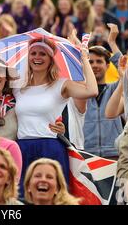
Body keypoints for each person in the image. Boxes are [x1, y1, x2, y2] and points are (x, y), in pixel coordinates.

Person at [13, 36, 98, 192]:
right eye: (33, 53)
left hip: (49, 147)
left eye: (43, 54)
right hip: (22, 147)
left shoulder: (61, 84)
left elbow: (92, 90)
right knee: (22, 197)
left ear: (51, 59)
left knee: (54, 197)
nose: (37, 57)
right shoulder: (17, 86)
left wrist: (84, 58)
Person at [83, 46, 123, 158]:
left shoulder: (116, 88)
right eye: (90, 62)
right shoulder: (80, 92)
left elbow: (127, 72)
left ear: (108, 65)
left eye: (99, 61)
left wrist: (112, 43)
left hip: (114, 154)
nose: (94, 65)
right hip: (86, 154)